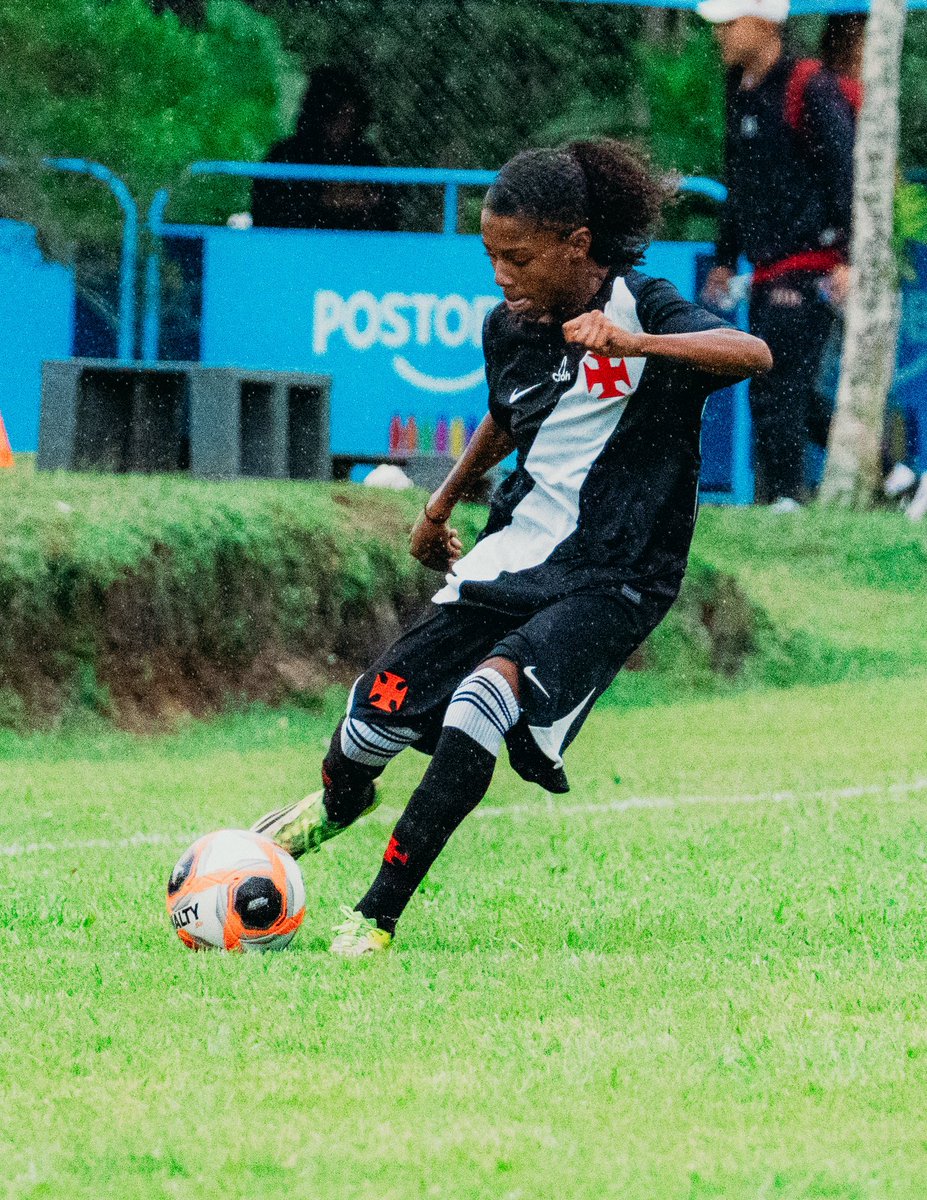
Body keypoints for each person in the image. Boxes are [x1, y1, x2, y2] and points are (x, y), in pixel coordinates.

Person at [253, 138, 772, 957]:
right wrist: (439, 504)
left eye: (518, 257)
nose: (501, 274)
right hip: (514, 553)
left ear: (576, 243)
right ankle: (340, 803)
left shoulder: (642, 305)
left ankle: (375, 916)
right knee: (375, 713)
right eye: (491, 255)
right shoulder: (509, 329)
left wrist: (638, 345)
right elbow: (505, 417)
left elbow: (753, 354)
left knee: (481, 701)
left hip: (615, 572)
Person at [699, 0, 856, 508]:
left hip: (813, 265)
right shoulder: (739, 87)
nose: (721, 34)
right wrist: (726, 257)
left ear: (767, 23)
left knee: (776, 383)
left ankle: (787, 500)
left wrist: (849, 259)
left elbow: (846, 174)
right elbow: (739, 179)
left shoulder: (810, 85)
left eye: (731, 23)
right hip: (768, 266)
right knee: (787, 387)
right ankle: (892, 473)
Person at [251, 65, 400, 232]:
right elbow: (269, 215)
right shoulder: (285, 156)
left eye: (351, 117)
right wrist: (323, 201)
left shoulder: (366, 158)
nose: (344, 126)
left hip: (351, 246)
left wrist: (364, 203)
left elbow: (388, 218)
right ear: (319, 114)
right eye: (337, 115)